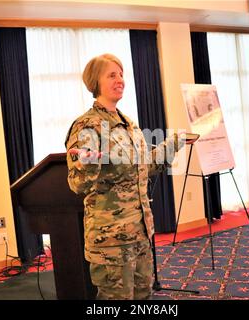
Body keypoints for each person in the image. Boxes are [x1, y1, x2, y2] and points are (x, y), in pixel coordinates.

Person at [65, 53, 190, 300]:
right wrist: (87, 165)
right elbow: (77, 185)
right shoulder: (87, 126)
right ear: (95, 82)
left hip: (141, 232)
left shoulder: (128, 124)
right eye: (112, 75)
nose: (120, 79)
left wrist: (172, 145)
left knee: (143, 296)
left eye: (121, 74)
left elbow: (143, 168)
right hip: (111, 240)